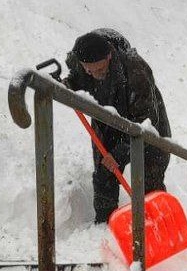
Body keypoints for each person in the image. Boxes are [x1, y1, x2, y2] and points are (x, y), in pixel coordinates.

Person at [62, 29, 171, 223]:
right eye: (89, 70)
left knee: (150, 177)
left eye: (100, 70)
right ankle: (106, 224)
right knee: (104, 173)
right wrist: (68, 84)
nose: (95, 75)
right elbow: (77, 79)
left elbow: (145, 124)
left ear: (110, 56)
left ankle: (157, 223)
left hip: (145, 124)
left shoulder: (136, 72)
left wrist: (119, 154)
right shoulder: (79, 60)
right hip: (108, 120)